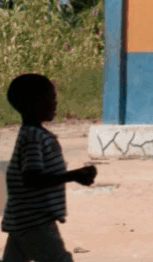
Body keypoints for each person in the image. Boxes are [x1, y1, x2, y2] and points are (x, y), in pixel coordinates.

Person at [2, 74, 98, 262]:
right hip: (35, 219)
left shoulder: (31, 134)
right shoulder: (34, 138)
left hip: (22, 218)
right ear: (31, 104)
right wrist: (73, 176)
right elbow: (32, 178)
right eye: (50, 98)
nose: (55, 103)